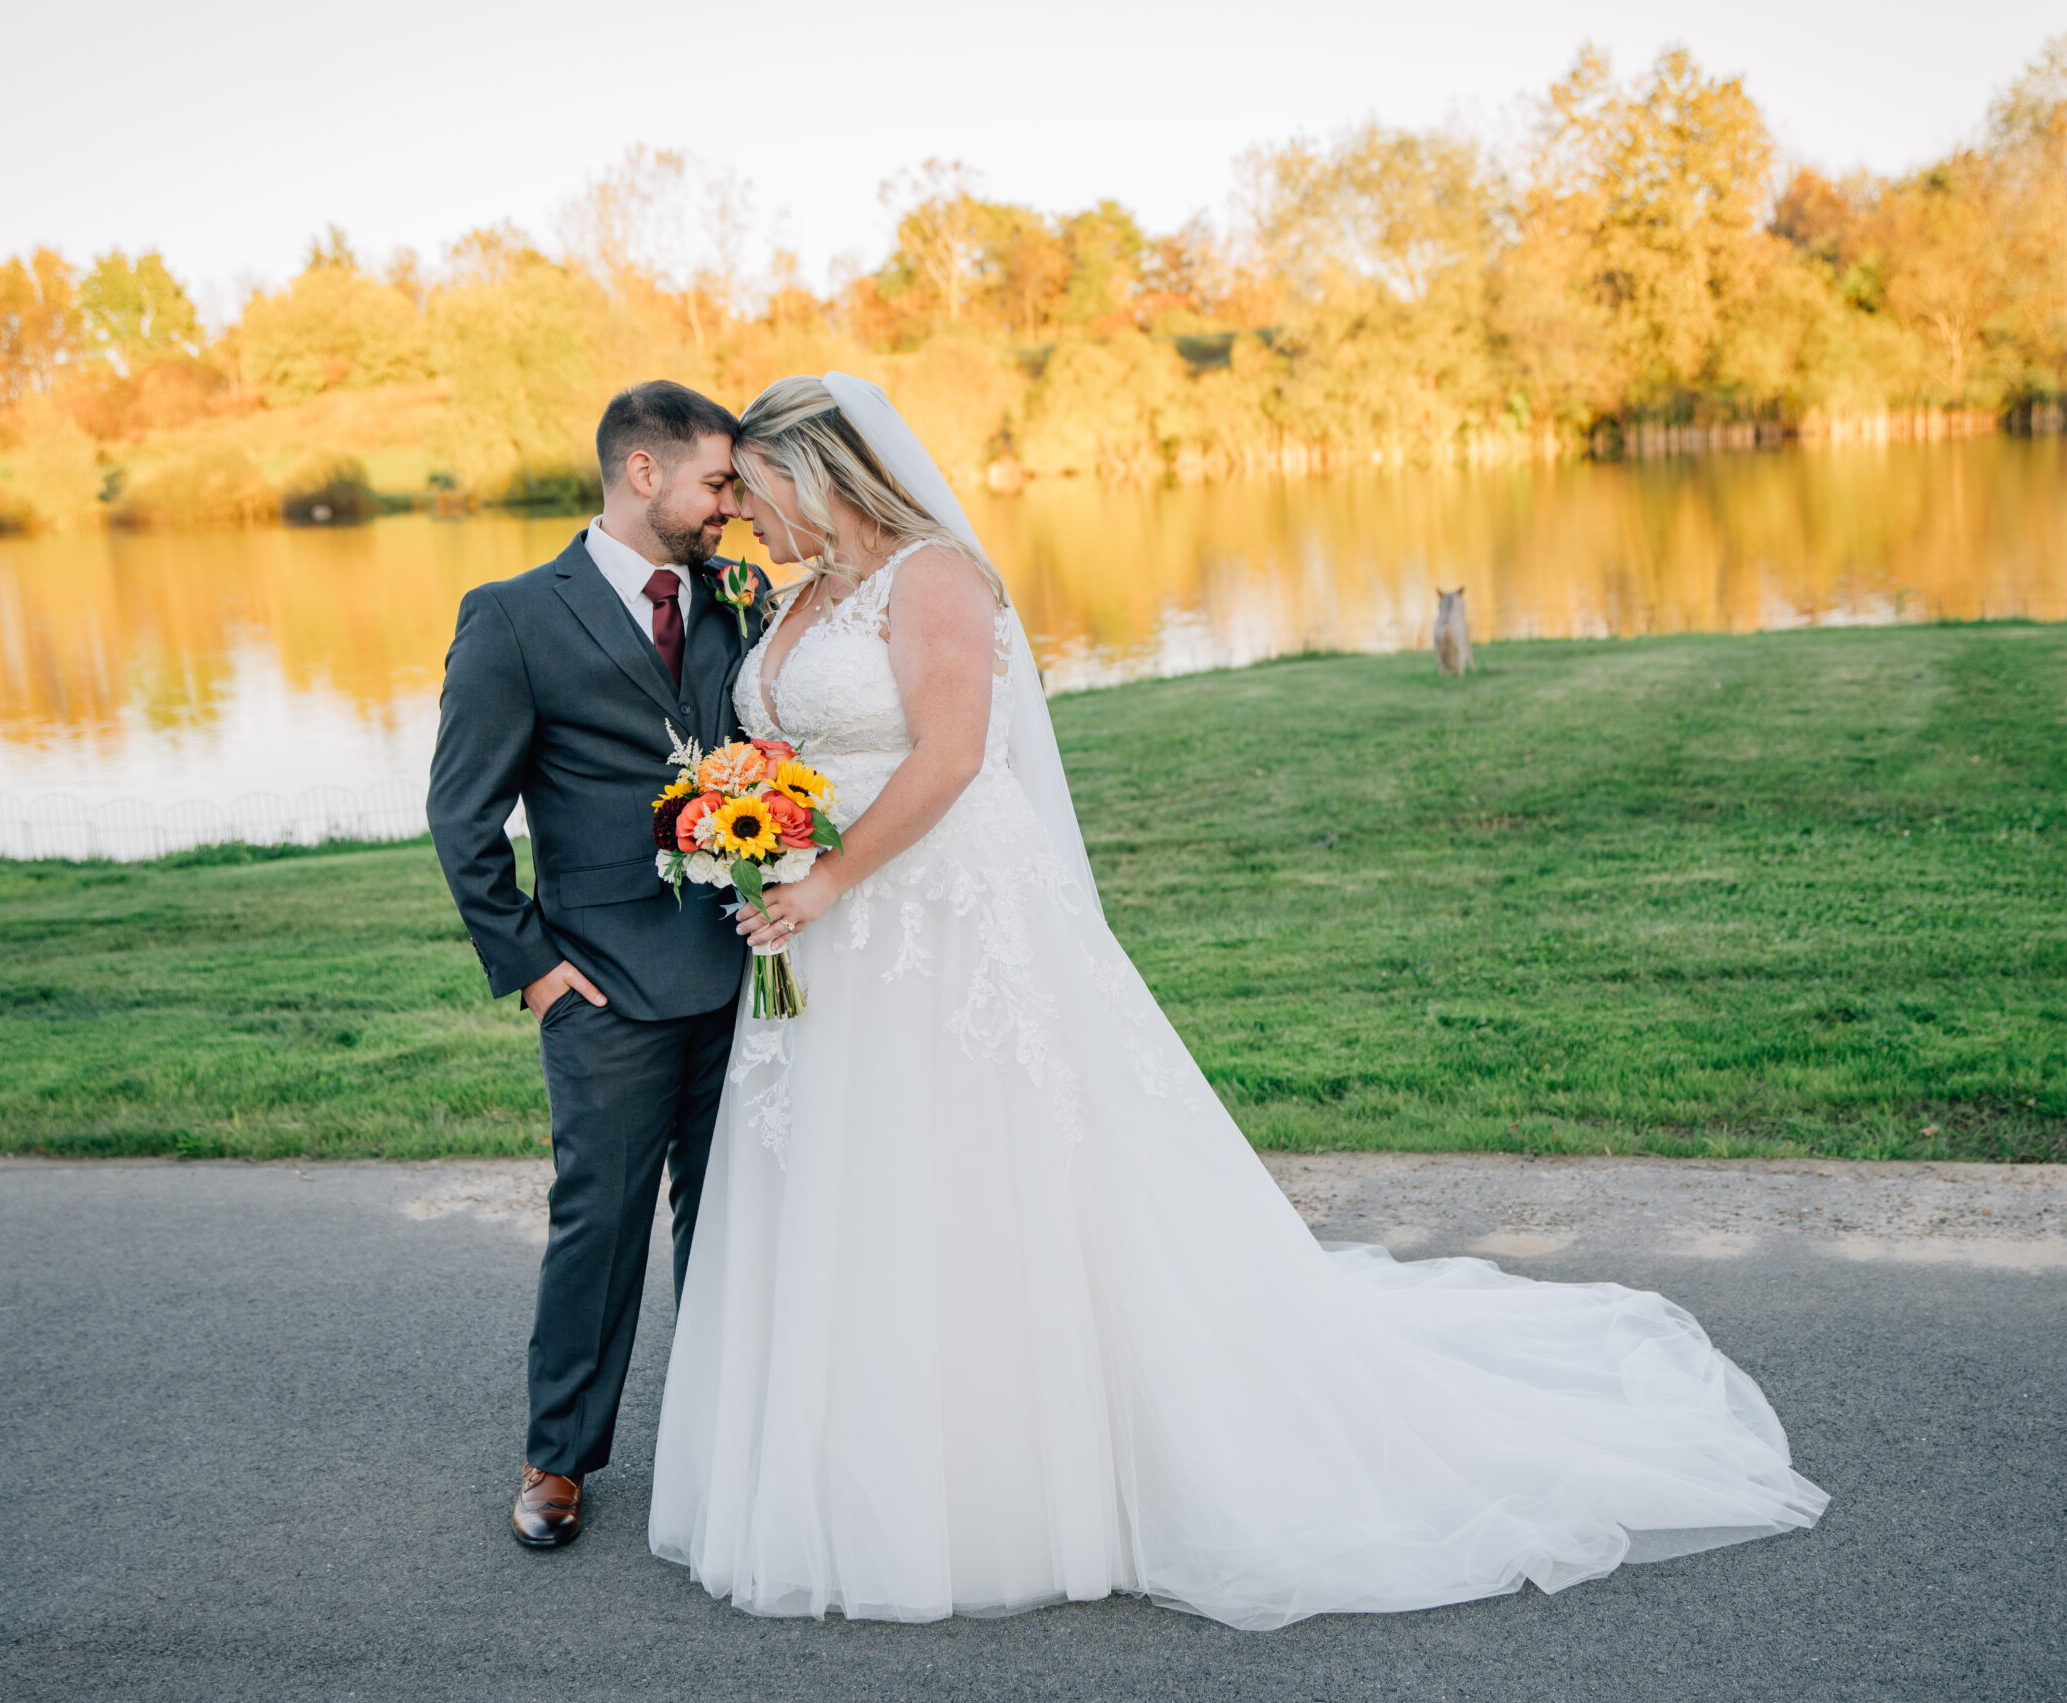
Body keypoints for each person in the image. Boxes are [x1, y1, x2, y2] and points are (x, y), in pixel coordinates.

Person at [645, 374, 1828, 1630]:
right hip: (824, 936)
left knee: (982, 1173)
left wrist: (824, 875)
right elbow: (799, 747)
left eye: (752, 487)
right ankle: (850, 1459)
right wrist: (754, 834)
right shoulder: (799, 594)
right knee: (856, 1181)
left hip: (935, 916)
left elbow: (945, 756)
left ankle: (1015, 1476)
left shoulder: (932, 576)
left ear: (812, 468)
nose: (741, 516)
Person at [426, 379, 770, 1549]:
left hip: (742, 968)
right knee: (600, 1223)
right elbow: (461, 816)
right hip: (603, 983)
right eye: (719, 482)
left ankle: (732, 1439)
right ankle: (558, 1457)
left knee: (732, 1220)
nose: (734, 504)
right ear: (643, 473)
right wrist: (530, 966)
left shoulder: (735, 597)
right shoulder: (514, 616)